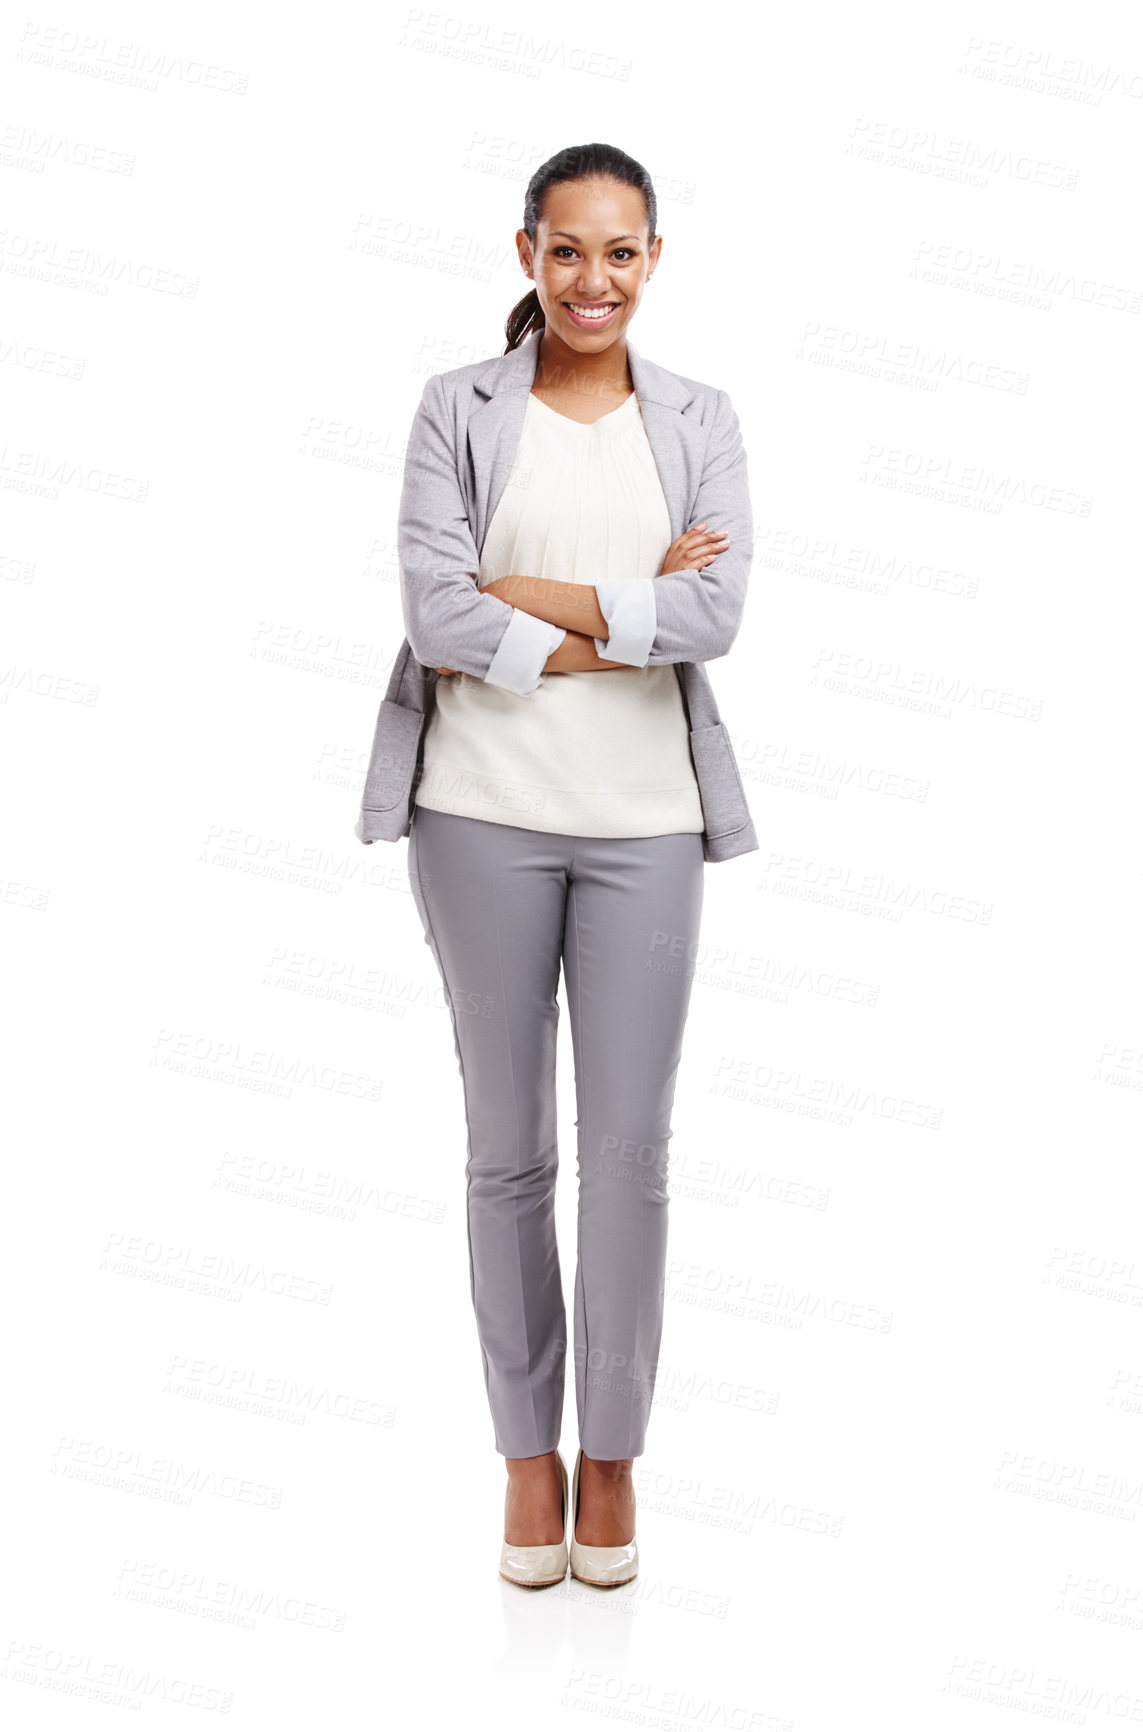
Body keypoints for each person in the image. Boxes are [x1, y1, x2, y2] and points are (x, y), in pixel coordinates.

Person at [392, 142, 757, 1589]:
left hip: (646, 830)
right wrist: (627, 613)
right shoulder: (453, 409)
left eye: (620, 251)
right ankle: (523, 1458)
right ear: (527, 255)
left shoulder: (700, 418)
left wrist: (522, 605)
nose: (591, 278)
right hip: (475, 812)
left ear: (652, 259)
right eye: (566, 250)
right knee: (505, 1157)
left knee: (629, 1160)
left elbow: (714, 611)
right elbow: (432, 610)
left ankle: (609, 1465)